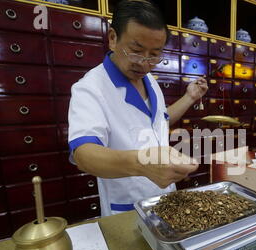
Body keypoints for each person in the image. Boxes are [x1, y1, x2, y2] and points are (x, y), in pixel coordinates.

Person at [68, 0, 208, 216]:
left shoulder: (149, 80)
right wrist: (143, 164)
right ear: (113, 39)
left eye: (154, 55)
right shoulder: (90, 88)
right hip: (128, 207)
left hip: (166, 199)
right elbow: (83, 155)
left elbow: (159, 121)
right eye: (136, 51)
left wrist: (190, 97)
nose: (144, 63)